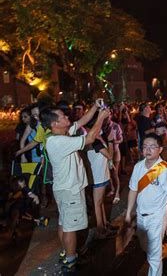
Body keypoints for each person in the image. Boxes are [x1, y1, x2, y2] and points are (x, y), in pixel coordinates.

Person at [41, 101, 109, 272]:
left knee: (64, 223)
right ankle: (71, 261)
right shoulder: (57, 142)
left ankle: (66, 253)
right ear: (55, 124)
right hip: (70, 189)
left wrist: (94, 107)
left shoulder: (60, 134)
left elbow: (81, 122)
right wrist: (101, 117)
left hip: (64, 189)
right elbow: (90, 138)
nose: (67, 117)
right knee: (71, 227)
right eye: (63, 116)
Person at [125, 133, 167, 276]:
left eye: (152, 147)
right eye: (145, 147)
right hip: (141, 216)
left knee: (153, 259)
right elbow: (133, 190)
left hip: (157, 217)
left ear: (160, 149)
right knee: (146, 248)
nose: (148, 150)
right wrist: (129, 212)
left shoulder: (166, 170)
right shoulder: (138, 167)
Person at [86, 114, 115, 239]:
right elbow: (109, 155)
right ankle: (100, 230)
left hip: (101, 175)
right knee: (97, 203)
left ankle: (104, 224)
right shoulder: (96, 141)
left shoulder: (98, 139)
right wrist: (110, 141)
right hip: (98, 177)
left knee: (100, 202)